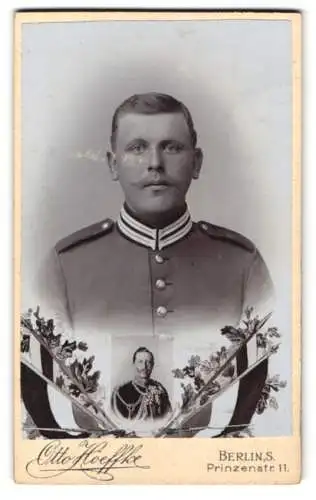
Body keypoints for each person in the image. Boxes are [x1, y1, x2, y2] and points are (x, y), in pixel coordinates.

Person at [22, 92, 274, 438]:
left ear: (196, 162)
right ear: (113, 164)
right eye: (137, 148)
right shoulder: (64, 265)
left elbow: (272, 406)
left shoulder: (243, 263)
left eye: (171, 147)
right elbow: (38, 403)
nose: (155, 162)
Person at [111, 347, 171, 421]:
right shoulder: (120, 392)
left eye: (148, 362)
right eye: (140, 362)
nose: (144, 367)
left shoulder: (160, 390)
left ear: (152, 365)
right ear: (134, 364)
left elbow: (168, 419)